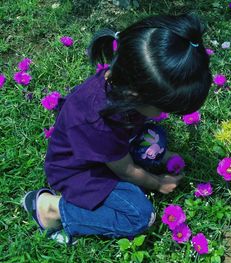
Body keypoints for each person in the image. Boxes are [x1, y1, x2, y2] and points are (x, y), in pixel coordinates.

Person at [22, 13, 212, 244]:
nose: (166, 114)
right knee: (140, 216)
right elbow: (126, 171)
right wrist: (158, 183)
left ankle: (145, 154)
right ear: (136, 95)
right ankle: (50, 209)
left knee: (156, 137)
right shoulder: (98, 121)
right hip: (80, 172)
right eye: (164, 108)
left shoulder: (124, 79)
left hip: (112, 148)